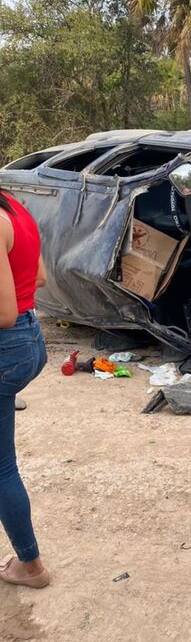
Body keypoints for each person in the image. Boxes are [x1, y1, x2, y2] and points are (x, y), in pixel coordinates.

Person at [0, 188, 50, 588]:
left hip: (6, 346)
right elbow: (40, 278)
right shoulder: (13, 205)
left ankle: (30, 568)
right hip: (31, 341)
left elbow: (3, 313)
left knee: (1, 468)